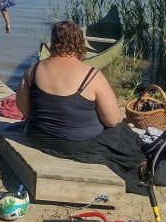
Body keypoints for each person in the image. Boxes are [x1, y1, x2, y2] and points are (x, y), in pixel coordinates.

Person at [16, 20, 147, 195]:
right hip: (77, 145)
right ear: (79, 42)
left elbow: (24, 109)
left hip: (40, 138)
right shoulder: (92, 75)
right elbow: (113, 120)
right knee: (124, 134)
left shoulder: (33, 70)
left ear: (54, 42)